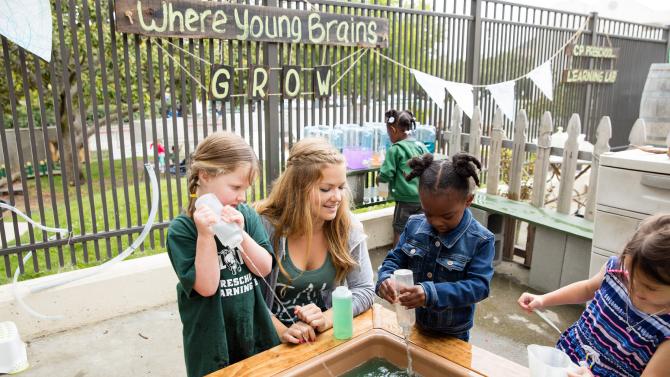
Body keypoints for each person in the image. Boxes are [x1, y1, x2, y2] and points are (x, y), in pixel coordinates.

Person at [166, 132, 279, 377]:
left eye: (245, 189)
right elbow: (206, 287)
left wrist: (242, 236)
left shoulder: (246, 215)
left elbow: (264, 267)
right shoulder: (182, 230)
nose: (242, 196)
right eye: (236, 187)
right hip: (211, 345)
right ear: (205, 175)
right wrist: (206, 237)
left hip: (253, 332)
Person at [518, 214, 670, 377]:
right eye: (631, 276)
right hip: (571, 356)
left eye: (649, 287)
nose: (635, 289)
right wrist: (544, 299)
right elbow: (587, 288)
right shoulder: (616, 272)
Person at [256, 137, 375, 344]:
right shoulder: (264, 226)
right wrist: (282, 331)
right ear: (298, 187)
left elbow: (364, 290)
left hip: (321, 341)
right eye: (325, 189)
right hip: (268, 344)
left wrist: (326, 319)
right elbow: (249, 297)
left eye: (341, 187)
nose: (337, 197)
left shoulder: (347, 228)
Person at [376, 153, 495, 341]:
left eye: (447, 216)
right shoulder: (414, 225)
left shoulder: (481, 240)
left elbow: (478, 286)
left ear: (468, 201)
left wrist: (431, 293)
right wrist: (384, 279)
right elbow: (395, 259)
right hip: (415, 324)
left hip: (453, 335)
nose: (437, 222)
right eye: (428, 213)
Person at [377, 109, 429, 246]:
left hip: (404, 201)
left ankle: (397, 260)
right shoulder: (421, 146)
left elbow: (386, 174)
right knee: (420, 228)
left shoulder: (395, 149)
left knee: (400, 230)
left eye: (388, 133)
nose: (389, 136)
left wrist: (381, 188)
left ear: (393, 130)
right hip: (422, 199)